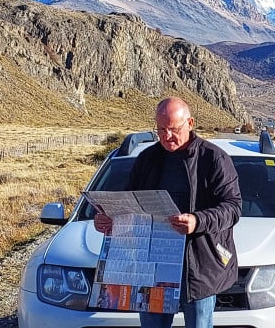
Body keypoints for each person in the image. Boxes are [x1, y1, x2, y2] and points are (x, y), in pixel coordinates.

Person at [94, 96, 242, 328]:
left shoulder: (214, 159)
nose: (166, 136)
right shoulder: (147, 159)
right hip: (153, 267)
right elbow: (129, 204)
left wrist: (197, 221)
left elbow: (232, 208)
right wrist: (110, 221)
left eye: (173, 129)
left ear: (190, 123)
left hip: (199, 268)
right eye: (161, 129)